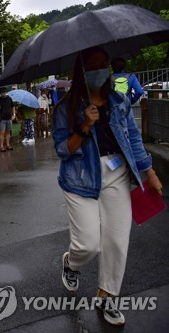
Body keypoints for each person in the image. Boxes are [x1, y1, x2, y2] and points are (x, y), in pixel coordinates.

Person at [52, 46, 163, 326]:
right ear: (82, 70)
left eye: (104, 64)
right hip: (79, 176)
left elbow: (134, 140)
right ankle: (71, 262)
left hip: (116, 172)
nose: (101, 70)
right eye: (93, 66)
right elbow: (63, 150)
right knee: (88, 244)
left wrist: (149, 172)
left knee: (116, 239)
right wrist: (84, 126)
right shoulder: (67, 107)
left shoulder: (119, 101)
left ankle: (107, 296)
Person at [0, 87, 15, 151]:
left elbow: (13, 106)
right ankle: (1, 146)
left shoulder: (9, 99)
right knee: (2, 132)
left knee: (8, 132)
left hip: (9, 118)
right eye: (2, 93)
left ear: (6, 92)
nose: (3, 94)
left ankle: (8, 145)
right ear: (0, 93)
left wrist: (14, 114)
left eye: (4, 92)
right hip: (2, 119)